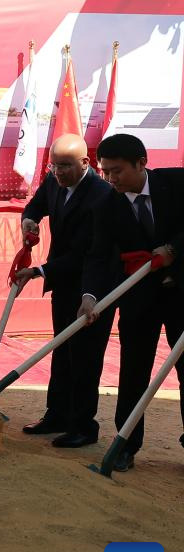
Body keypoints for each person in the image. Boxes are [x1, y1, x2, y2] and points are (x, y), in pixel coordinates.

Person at [78, 133, 184, 471]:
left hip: (182, 295)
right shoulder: (107, 205)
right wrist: (90, 296)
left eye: (117, 171)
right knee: (134, 370)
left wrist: (174, 249)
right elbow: (98, 256)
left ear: (141, 163)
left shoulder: (177, 183)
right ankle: (125, 444)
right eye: (105, 171)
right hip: (139, 298)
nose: (111, 179)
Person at [16, 134, 115, 448]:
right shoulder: (53, 180)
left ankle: (83, 426)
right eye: (54, 166)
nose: (58, 172)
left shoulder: (102, 196)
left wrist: (39, 271)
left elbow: (87, 254)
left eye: (65, 166)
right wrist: (29, 220)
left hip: (93, 287)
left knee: (85, 356)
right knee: (62, 349)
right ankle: (57, 414)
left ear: (85, 163)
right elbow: (36, 205)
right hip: (64, 282)